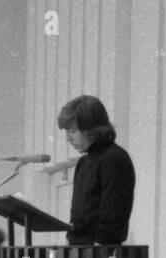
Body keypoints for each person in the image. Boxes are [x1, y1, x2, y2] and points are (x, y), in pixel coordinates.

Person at [58, 95, 135, 245]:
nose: (68, 139)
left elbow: (114, 214)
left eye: (72, 131)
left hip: (99, 252)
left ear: (91, 128)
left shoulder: (115, 158)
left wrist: (97, 251)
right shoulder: (83, 162)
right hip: (80, 253)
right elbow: (78, 213)